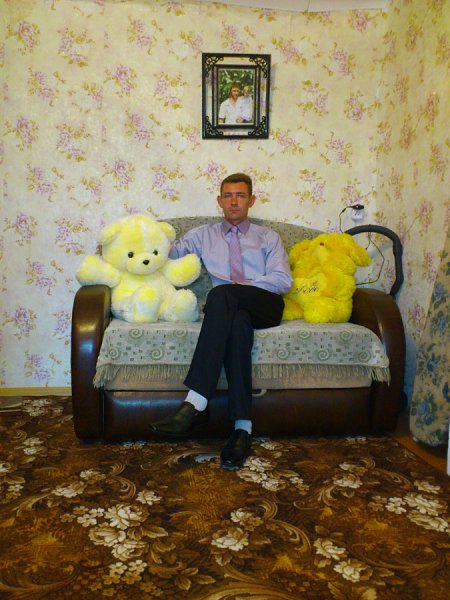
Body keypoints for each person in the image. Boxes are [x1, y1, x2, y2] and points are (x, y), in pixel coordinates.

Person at [149, 173, 293, 469]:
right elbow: (168, 255)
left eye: (240, 195)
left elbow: (282, 280)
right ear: (219, 201)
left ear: (251, 200)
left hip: (265, 304)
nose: (234, 201)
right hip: (231, 312)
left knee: (222, 294)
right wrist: (147, 237)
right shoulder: (203, 235)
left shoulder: (268, 237)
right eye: (228, 196)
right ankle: (242, 429)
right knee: (237, 324)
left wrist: (242, 289)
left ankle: (196, 402)